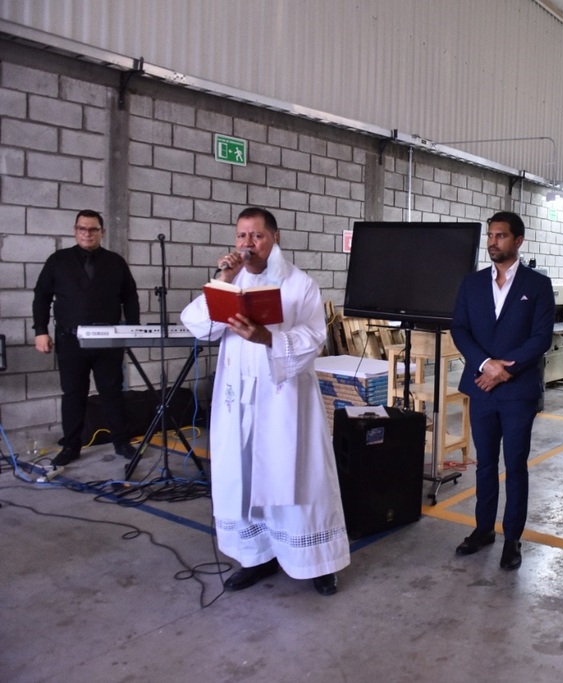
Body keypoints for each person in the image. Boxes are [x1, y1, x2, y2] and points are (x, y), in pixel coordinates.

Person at [180, 207, 349, 596]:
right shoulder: (230, 282)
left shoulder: (299, 284)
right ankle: (256, 556)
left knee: (299, 477)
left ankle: (316, 561)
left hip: (284, 399)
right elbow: (199, 326)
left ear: (275, 238)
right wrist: (223, 280)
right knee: (243, 476)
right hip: (238, 401)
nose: (248, 244)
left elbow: (314, 338)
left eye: (256, 236)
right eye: (241, 236)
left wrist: (268, 338)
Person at [450, 211, 555, 570]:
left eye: (501, 236)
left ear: (518, 241)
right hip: (482, 387)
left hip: (517, 390)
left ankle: (512, 538)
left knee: (515, 465)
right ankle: (483, 530)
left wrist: (503, 370)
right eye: (491, 235)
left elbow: (541, 338)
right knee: (484, 464)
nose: (493, 241)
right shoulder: (472, 284)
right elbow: (460, 329)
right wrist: (485, 365)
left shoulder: (537, 285)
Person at [32, 209, 140, 467]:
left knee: (112, 392)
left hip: (108, 341)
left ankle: (121, 442)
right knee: (73, 394)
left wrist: (132, 330)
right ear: (75, 230)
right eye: (82, 228)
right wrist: (40, 331)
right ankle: (71, 446)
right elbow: (41, 296)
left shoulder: (115, 262)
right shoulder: (58, 260)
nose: (87, 233)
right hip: (71, 340)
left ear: (102, 232)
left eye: (93, 229)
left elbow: (130, 297)